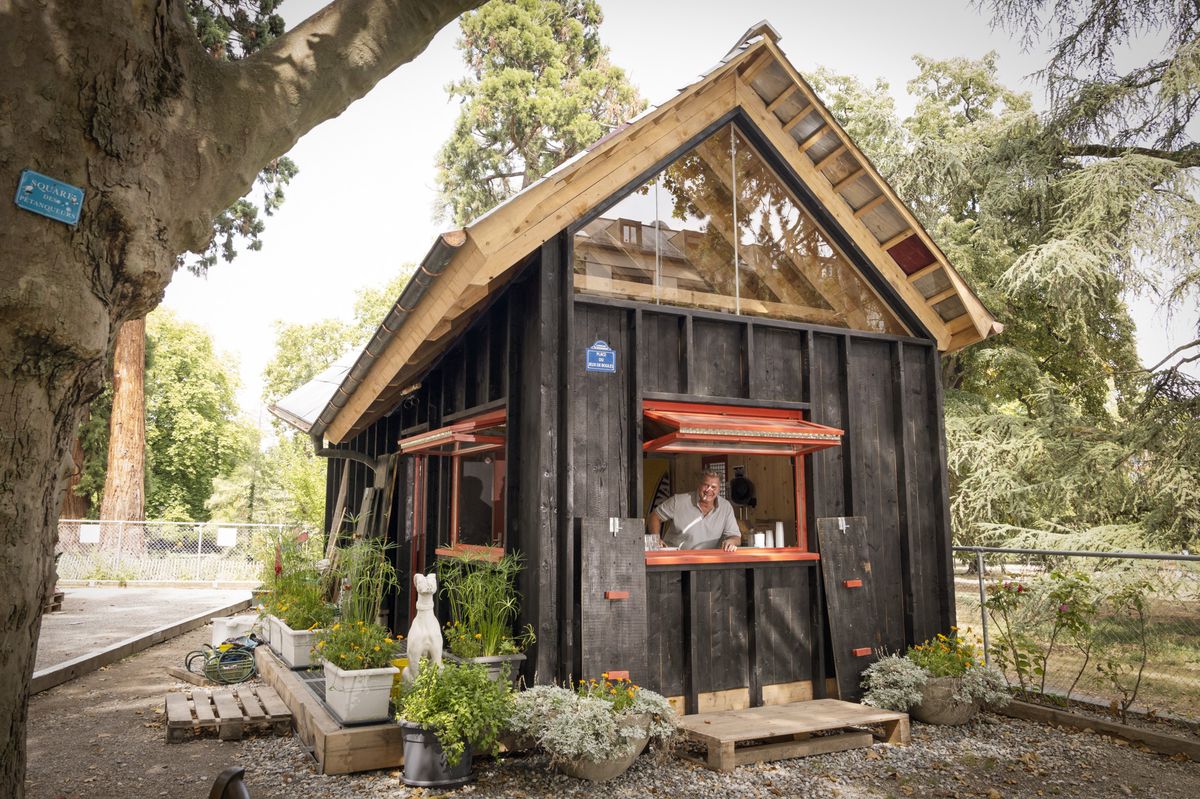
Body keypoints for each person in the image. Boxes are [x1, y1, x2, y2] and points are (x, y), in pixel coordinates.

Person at [647, 471, 740, 551]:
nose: (709, 490)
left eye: (713, 487)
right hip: (674, 560)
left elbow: (735, 536)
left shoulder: (726, 507)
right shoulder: (678, 501)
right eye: (706, 485)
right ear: (699, 485)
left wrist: (731, 542)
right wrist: (656, 539)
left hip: (708, 562)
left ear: (719, 489)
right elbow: (654, 516)